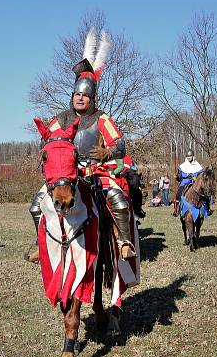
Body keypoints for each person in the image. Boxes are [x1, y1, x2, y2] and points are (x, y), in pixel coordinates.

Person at [28, 30, 137, 260]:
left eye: (84, 96)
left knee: (117, 199)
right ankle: (41, 244)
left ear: (91, 99)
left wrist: (108, 152)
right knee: (36, 205)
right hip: (67, 174)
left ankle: (124, 241)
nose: (80, 98)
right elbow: (46, 140)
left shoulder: (101, 118)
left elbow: (120, 145)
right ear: (72, 95)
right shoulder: (61, 119)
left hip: (96, 171)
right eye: (77, 94)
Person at [172, 150, 204, 217]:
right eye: (188, 156)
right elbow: (180, 178)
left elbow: (201, 177)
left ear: (193, 156)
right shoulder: (182, 166)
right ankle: (176, 209)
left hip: (195, 183)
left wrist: (196, 179)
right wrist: (177, 177)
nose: (189, 157)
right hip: (184, 183)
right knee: (179, 193)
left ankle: (207, 208)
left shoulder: (198, 166)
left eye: (190, 156)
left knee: (204, 193)